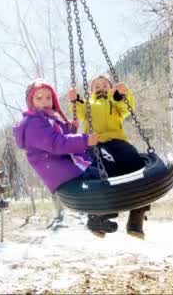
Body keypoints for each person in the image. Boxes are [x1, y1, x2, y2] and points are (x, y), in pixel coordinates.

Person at [13, 79, 118, 237]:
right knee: (95, 177)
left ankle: (98, 217)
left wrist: (71, 128)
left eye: (48, 98)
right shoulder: (33, 123)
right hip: (59, 170)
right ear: (31, 102)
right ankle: (97, 217)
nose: (45, 102)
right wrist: (84, 140)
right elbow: (55, 143)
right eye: (39, 98)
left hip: (63, 167)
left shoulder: (48, 119)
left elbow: (60, 134)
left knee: (97, 173)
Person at [68, 73, 150, 239]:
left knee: (135, 162)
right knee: (103, 172)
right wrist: (75, 99)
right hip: (95, 143)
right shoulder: (88, 103)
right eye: (96, 86)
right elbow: (80, 112)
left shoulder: (115, 100)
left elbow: (126, 108)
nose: (101, 88)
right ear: (90, 91)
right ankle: (98, 216)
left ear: (111, 88)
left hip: (117, 141)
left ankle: (136, 217)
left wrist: (124, 94)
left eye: (105, 85)